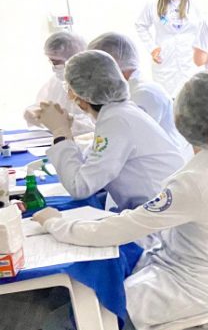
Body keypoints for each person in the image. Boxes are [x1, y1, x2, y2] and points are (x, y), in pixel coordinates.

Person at [35, 71, 208, 330]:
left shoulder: (196, 181)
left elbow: (122, 229)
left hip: (184, 283)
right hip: (200, 266)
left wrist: (56, 224)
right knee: (89, 285)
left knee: (61, 327)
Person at [34, 50, 186, 210]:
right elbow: (91, 163)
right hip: (156, 211)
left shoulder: (117, 120)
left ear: (78, 95)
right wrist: (66, 131)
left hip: (158, 220)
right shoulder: (120, 112)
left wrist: (60, 133)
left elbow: (80, 186)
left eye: (69, 89)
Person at [89, 32, 189, 155]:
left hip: (162, 169)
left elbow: (121, 140)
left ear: (113, 63)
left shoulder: (144, 94)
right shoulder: (132, 90)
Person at [135, 0, 202, 96]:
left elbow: (203, 30)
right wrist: (152, 48)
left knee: (189, 98)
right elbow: (140, 25)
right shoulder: (154, 4)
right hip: (164, 61)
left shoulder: (193, 6)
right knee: (166, 98)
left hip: (188, 61)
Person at [23, 31, 93, 135]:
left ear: (74, 58)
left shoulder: (94, 84)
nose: (53, 66)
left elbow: (97, 125)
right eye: (51, 61)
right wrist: (33, 112)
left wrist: (65, 121)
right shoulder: (56, 81)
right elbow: (42, 104)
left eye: (56, 62)